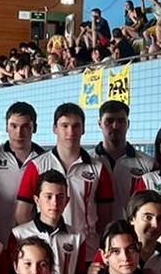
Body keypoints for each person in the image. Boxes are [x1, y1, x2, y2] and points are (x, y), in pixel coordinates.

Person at [14, 103, 113, 249]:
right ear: (55, 129)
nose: (70, 131)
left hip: (86, 249)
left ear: (83, 129)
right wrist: (34, 245)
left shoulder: (98, 168)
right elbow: (22, 213)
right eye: (64, 126)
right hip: (46, 250)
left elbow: (105, 217)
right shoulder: (37, 166)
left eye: (76, 126)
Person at [11, 170, 85, 274]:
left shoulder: (77, 238)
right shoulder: (19, 234)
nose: (55, 203)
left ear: (67, 201)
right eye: (48, 196)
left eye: (60, 197)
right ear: (37, 199)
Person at [0, 103, 47, 243]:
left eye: (25, 127)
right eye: (14, 126)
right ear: (6, 127)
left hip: (31, 242)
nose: (19, 133)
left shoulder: (46, 160)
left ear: (34, 128)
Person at [93, 100, 152, 218]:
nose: (115, 126)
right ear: (100, 124)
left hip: (132, 233)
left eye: (121, 121)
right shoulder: (88, 161)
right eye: (109, 121)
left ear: (128, 124)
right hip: (97, 233)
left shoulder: (147, 163)